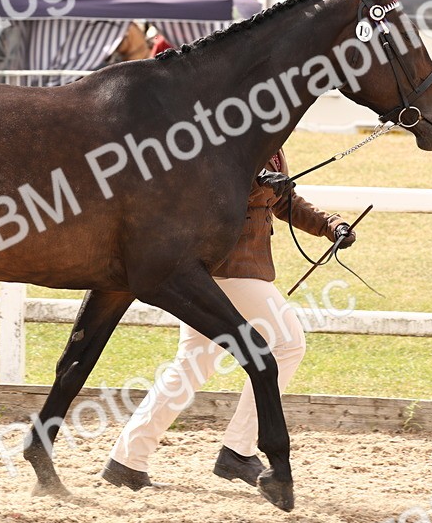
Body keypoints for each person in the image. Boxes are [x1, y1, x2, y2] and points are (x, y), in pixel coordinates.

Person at [102, 149, 357, 491]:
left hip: (226, 268)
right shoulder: (230, 132)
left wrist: (330, 225)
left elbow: (282, 201)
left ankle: (127, 461)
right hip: (228, 264)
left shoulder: (272, 142)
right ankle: (238, 450)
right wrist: (261, 180)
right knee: (288, 344)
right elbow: (214, 186)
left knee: (194, 362)